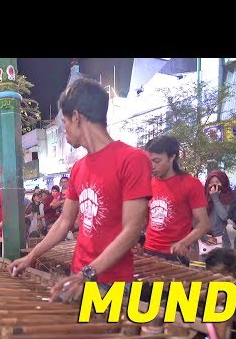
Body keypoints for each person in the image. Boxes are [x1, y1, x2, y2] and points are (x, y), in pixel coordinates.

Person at [8, 77, 152, 301]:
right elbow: (64, 222)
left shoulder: (132, 159)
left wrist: (88, 273)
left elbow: (133, 230)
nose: (64, 131)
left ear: (76, 117)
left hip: (112, 283)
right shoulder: (78, 168)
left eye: (64, 123)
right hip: (79, 275)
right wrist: (31, 257)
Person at [143, 135, 210, 266]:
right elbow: (144, 219)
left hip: (175, 255)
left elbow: (204, 224)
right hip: (148, 250)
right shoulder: (148, 183)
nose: (152, 166)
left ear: (172, 157)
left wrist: (183, 243)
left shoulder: (191, 184)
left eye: (157, 161)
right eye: (149, 161)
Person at [202, 170, 234, 252]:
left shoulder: (228, 198)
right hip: (203, 240)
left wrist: (215, 197)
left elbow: (225, 216)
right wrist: (203, 236)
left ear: (224, 183)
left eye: (218, 182)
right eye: (211, 182)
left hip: (221, 241)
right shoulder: (202, 197)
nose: (214, 185)